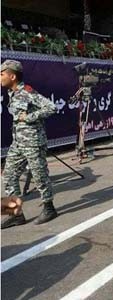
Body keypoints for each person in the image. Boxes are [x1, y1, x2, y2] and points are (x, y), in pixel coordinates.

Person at [1, 59, 58, 229]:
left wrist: (30, 117)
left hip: (33, 142)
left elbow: (51, 107)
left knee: (40, 176)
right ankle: (15, 214)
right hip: (18, 143)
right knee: (9, 175)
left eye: (2, 74)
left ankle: (49, 208)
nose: (0, 77)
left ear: (12, 76)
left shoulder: (27, 91)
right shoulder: (12, 93)